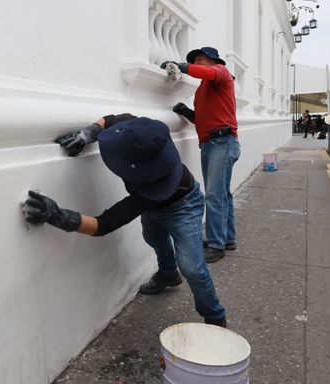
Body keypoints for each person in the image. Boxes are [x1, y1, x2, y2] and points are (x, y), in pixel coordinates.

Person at [22, 114, 227, 327]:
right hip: (152, 205)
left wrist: (60, 216)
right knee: (153, 237)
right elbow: (110, 120)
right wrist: (88, 134)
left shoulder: (154, 187)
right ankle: (168, 274)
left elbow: (104, 224)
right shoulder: (138, 132)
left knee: (192, 267)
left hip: (184, 206)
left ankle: (215, 318)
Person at [160, 47, 241, 263]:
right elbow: (204, 118)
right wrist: (186, 112)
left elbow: (209, 73)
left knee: (214, 195)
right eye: (194, 60)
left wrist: (182, 67)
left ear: (213, 60)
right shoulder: (204, 89)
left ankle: (216, 244)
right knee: (222, 193)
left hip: (222, 142)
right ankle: (227, 238)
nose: (196, 62)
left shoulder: (221, 71)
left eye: (200, 59)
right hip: (211, 143)